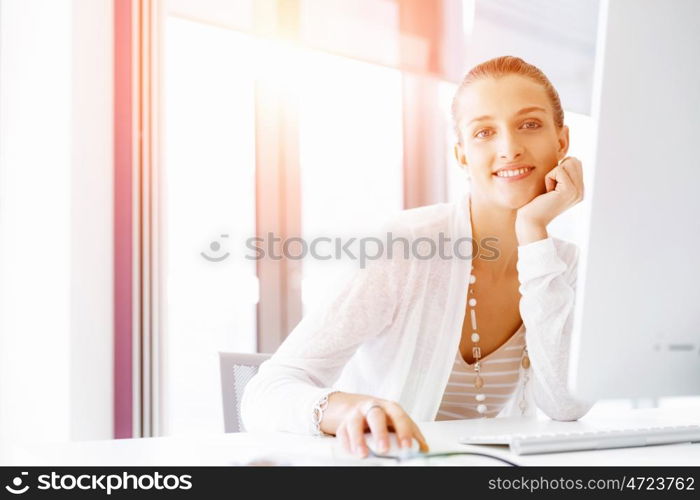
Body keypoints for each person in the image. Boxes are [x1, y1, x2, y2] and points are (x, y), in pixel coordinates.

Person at [241, 55, 595, 458]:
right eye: (483, 132)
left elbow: (565, 405)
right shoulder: (406, 246)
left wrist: (534, 233)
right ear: (462, 155)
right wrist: (350, 409)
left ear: (562, 141)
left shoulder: (560, 265)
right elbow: (266, 391)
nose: (509, 148)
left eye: (529, 125)